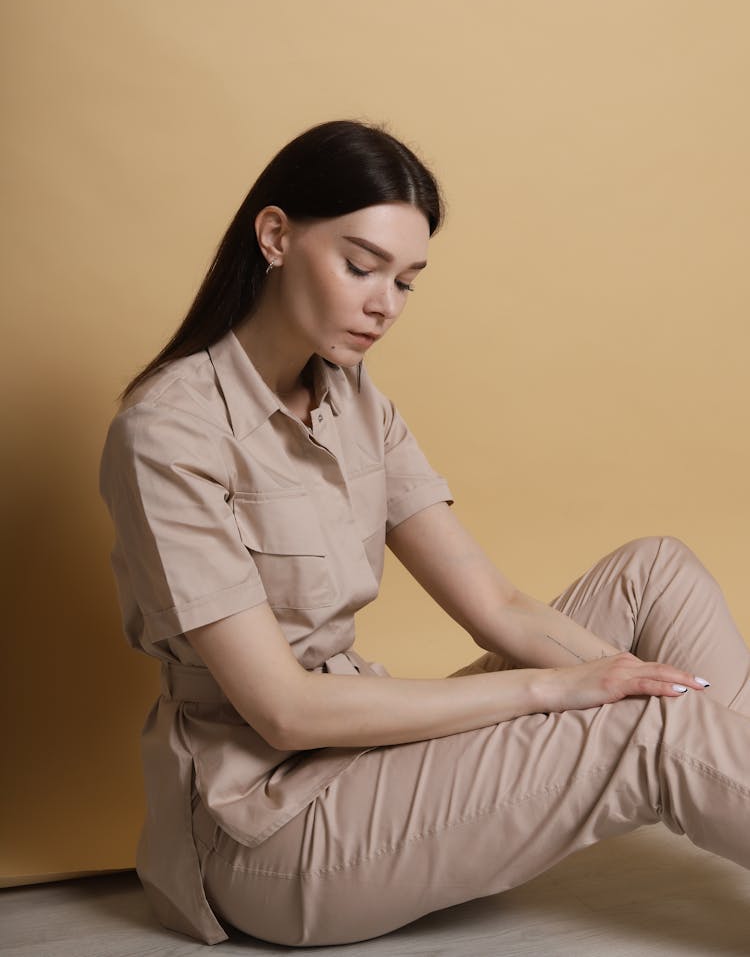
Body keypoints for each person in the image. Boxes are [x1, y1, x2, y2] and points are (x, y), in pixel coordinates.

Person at [99, 119, 750, 948]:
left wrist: (615, 675)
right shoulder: (168, 433)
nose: (383, 304)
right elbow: (287, 711)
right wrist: (559, 688)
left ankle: (726, 769)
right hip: (267, 829)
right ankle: (706, 761)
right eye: (360, 265)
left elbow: (499, 606)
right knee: (650, 727)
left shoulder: (354, 396)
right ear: (275, 236)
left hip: (370, 757)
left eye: (406, 281)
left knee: (656, 572)